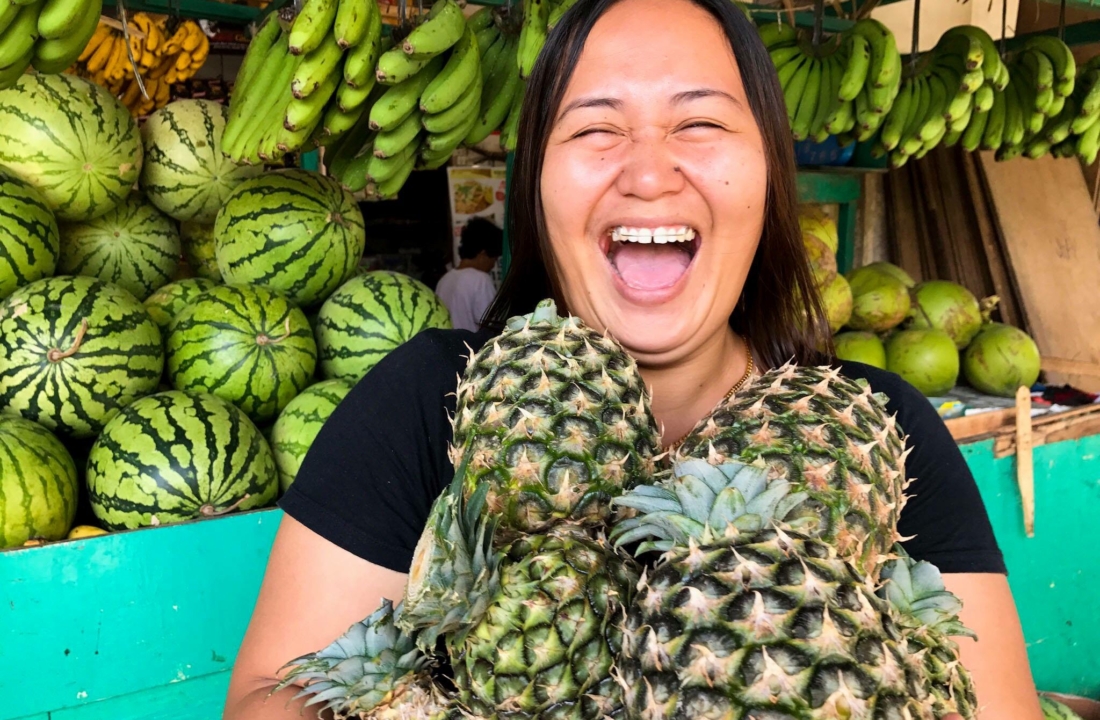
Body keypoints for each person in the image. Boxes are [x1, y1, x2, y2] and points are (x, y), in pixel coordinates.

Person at [224, 0, 1042, 717]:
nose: (649, 173)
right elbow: (271, 693)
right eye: (596, 129)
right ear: (535, 184)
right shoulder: (426, 396)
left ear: (769, 174)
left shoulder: (868, 425)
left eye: (700, 123)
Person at [434, 216, 504, 331]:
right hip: (472, 348)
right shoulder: (481, 280)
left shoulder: (445, 280)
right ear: (483, 254)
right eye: (494, 259)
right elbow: (491, 325)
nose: (492, 265)